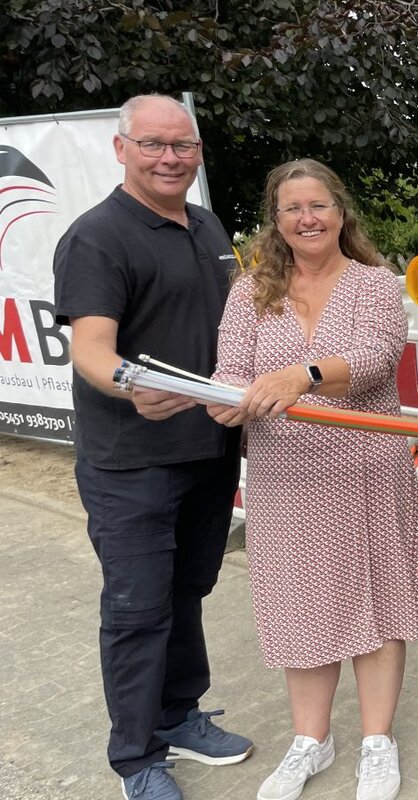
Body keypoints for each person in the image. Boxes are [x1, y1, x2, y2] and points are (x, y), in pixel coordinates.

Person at [53, 94, 253, 800]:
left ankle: (178, 715)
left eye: (183, 145)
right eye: (153, 145)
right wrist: (127, 384)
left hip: (208, 449)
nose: (170, 158)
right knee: (137, 609)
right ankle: (137, 759)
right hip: (131, 461)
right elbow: (90, 348)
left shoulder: (206, 225)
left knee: (188, 589)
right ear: (122, 149)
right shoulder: (98, 237)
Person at [206, 158, 418, 800]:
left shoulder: (374, 284)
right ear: (276, 221)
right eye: (293, 208)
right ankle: (311, 740)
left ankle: (377, 742)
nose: (307, 218)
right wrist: (223, 400)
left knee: (379, 602)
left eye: (318, 205)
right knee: (299, 605)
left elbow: (376, 358)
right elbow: (230, 371)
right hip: (286, 478)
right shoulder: (250, 292)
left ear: (340, 212)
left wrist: (303, 375)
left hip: (367, 470)